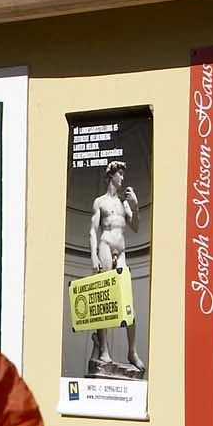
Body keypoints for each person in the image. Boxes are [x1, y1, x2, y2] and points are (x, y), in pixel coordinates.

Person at [87, 161, 143, 375]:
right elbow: (93, 230)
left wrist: (136, 205)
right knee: (105, 300)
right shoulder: (99, 202)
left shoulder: (124, 203)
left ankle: (132, 351)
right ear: (111, 176)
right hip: (105, 245)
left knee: (127, 302)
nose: (122, 178)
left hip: (122, 250)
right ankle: (104, 349)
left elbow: (136, 227)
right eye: (120, 174)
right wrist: (93, 254)